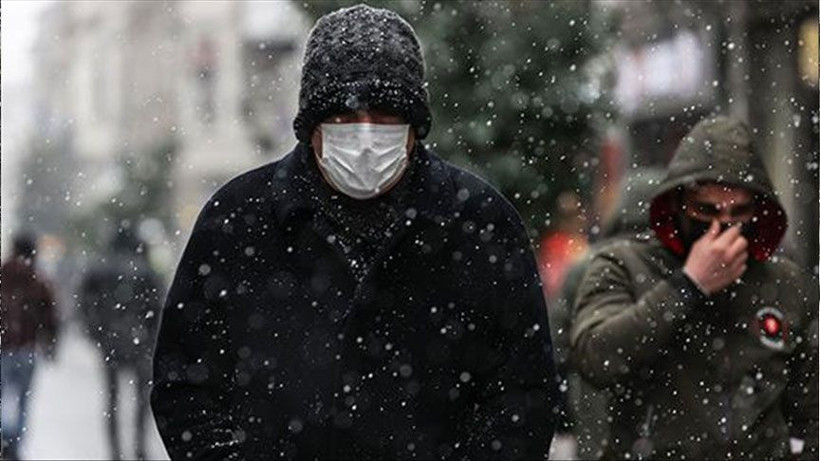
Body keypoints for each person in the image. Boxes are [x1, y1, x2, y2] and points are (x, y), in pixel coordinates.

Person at [151, 4, 558, 460]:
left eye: (384, 117)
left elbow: (524, 392)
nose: (365, 138)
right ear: (312, 128)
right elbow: (185, 384)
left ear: (413, 128)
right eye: (345, 118)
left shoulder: (479, 223)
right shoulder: (238, 219)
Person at [571, 116, 818, 459]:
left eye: (738, 211)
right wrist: (689, 285)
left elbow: (809, 410)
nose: (722, 227)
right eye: (707, 210)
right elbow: (596, 358)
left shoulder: (785, 285)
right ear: (677, 204)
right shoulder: (623, 266)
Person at [78, 227, 163, 460]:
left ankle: (115, 451)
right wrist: (152, 337)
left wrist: (96, 333)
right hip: (140, 343)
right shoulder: (146, 270)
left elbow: (84, 303)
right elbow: (158, 307)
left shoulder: (100, 267)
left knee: (112, 400)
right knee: (142, 400)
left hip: (111, 343)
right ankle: (139, 447)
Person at [1, 232, 59, 460]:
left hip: (3, 347)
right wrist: (51, 344)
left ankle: (5, 436)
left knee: (3, 395)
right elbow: (51, 317)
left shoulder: (2, 274)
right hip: (27, 348)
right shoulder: (38, 279)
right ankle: (15, 442)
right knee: (23, 400)